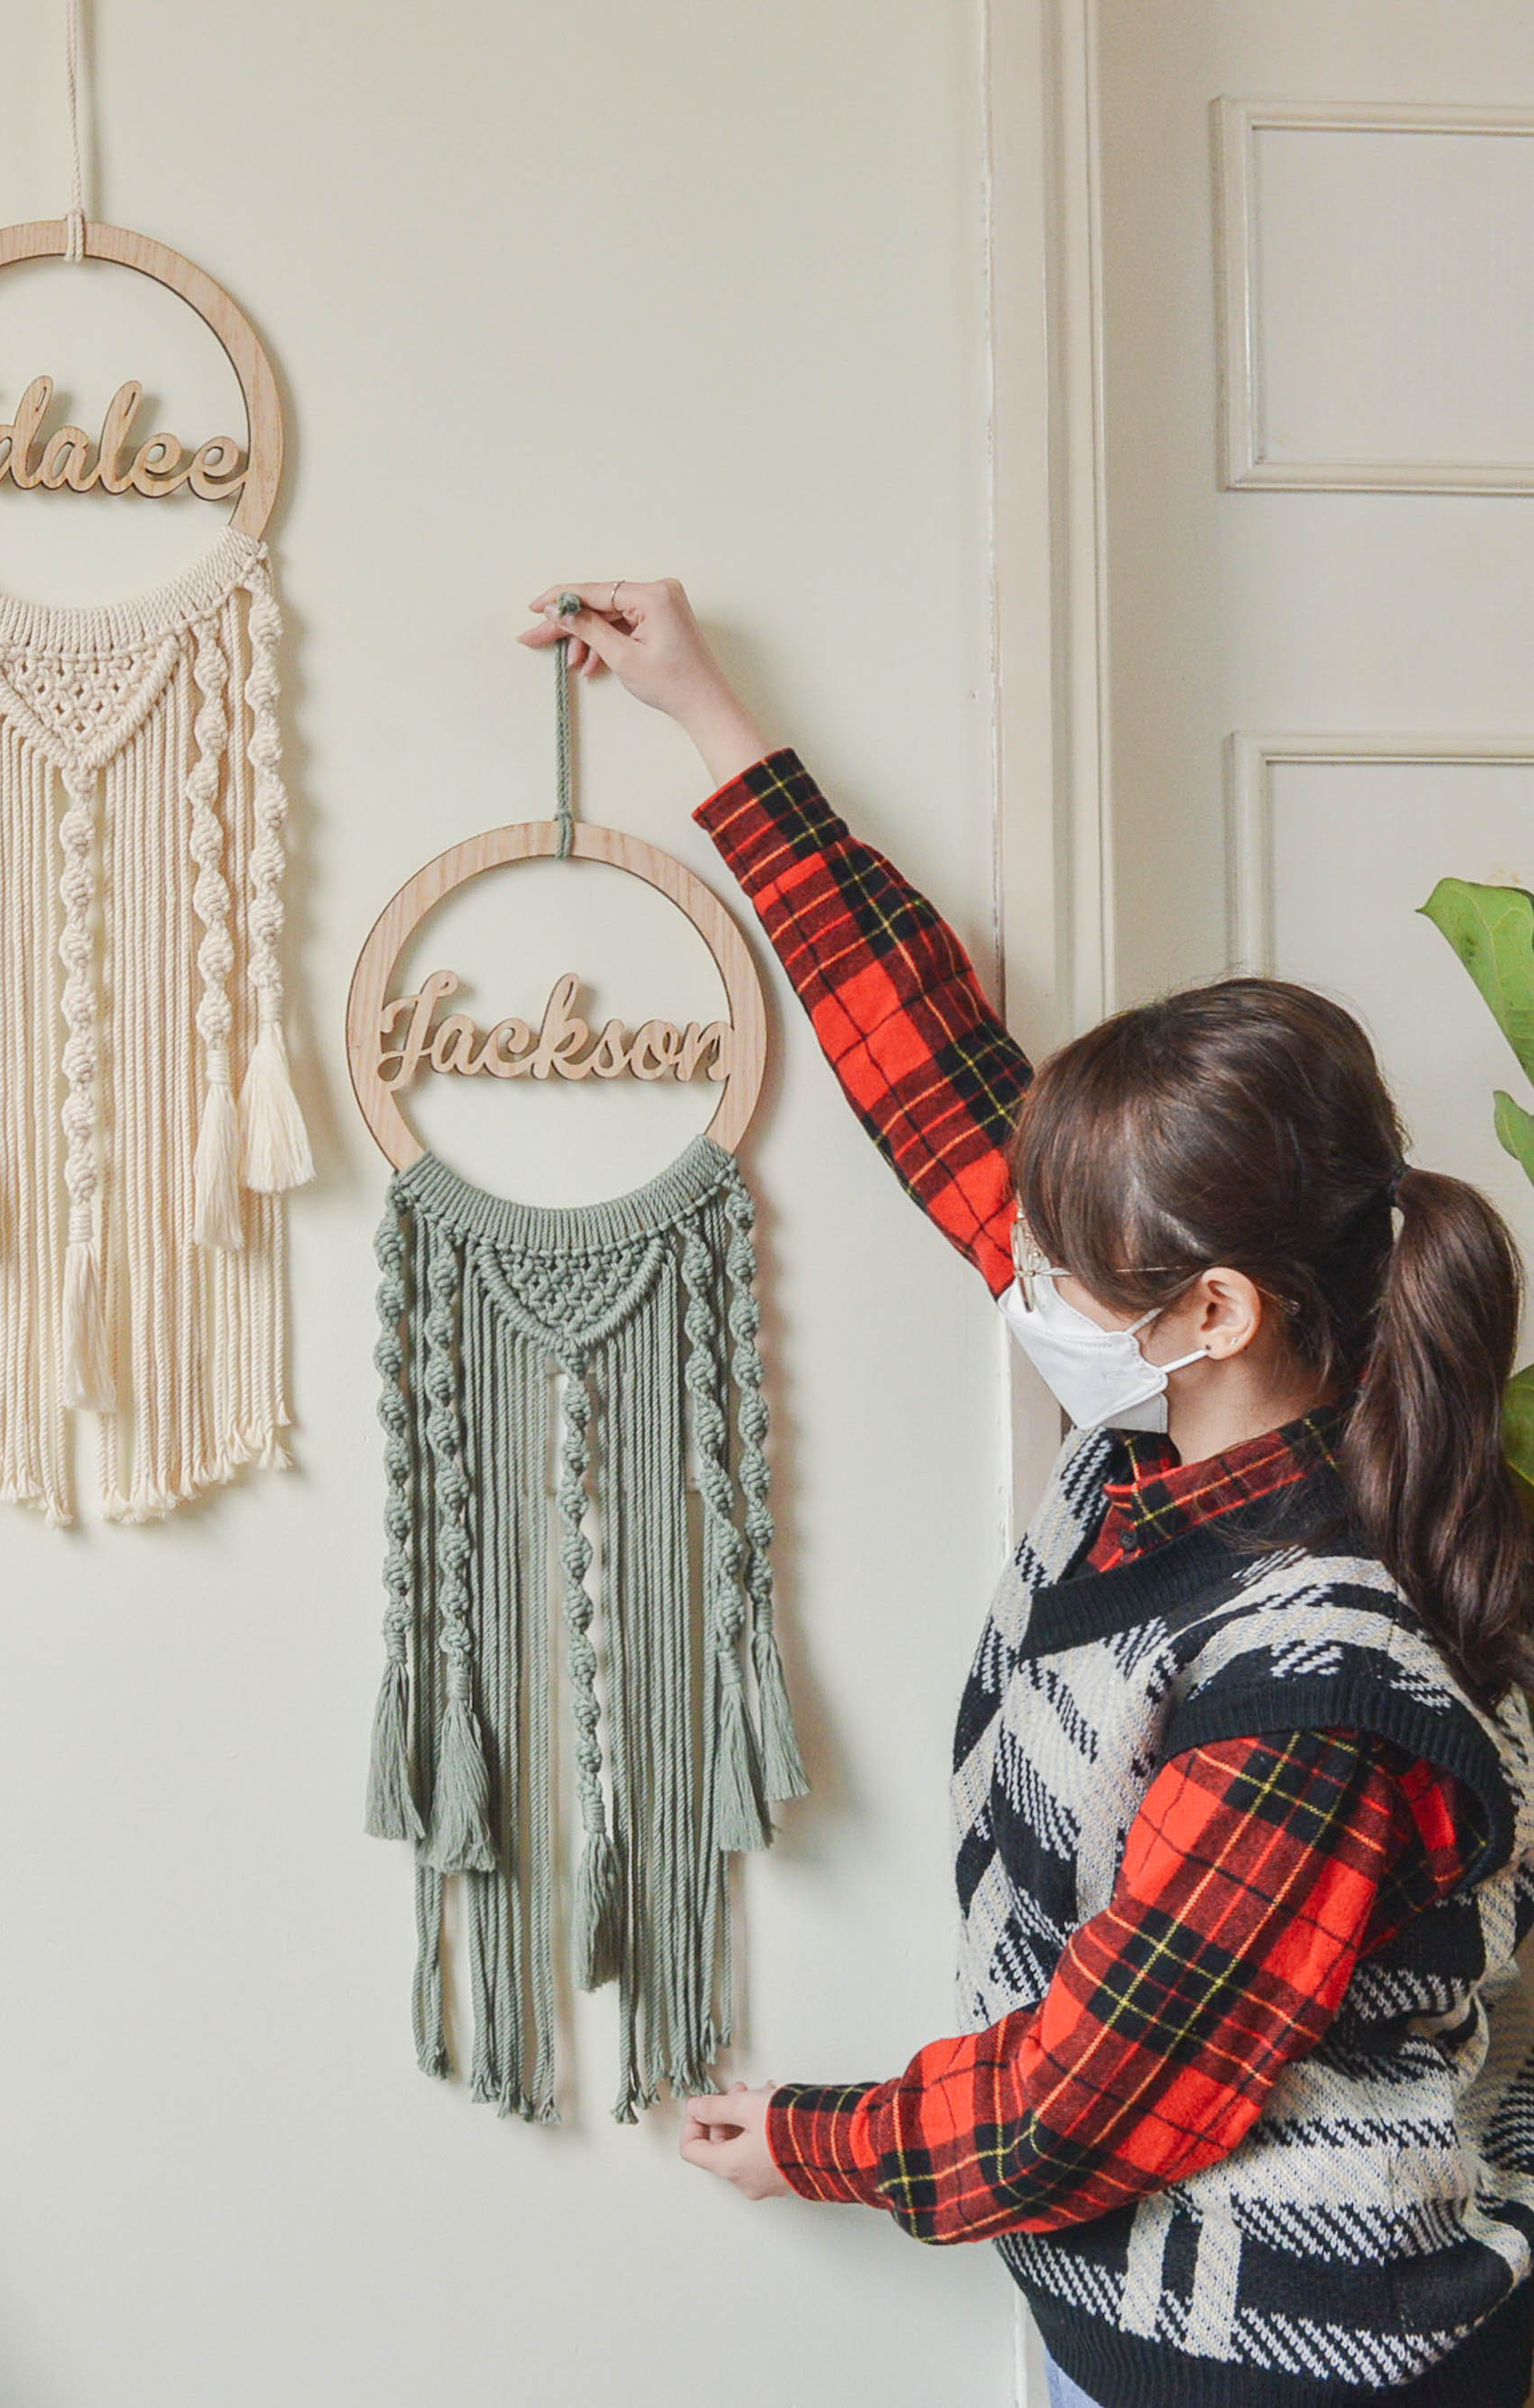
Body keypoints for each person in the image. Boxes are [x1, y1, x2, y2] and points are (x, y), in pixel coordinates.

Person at [516, 582, 1534, 2408]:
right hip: (1133, 2322)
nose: (1022, 1285)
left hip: (1282, 2367)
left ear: (1209, 1305)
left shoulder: (1319, 1680)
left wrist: (817, 2141)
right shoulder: (1185, 1419)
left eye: (1057, 1268)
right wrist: (708, 716)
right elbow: (931, 1070)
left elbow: (1091, 2094)